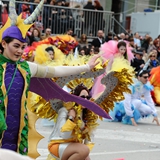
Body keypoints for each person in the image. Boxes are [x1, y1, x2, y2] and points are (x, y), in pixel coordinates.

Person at [0, 0, 101, 158]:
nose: (20, 51)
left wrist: (86, 67)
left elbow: (55, 70)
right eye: (16, 46)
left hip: (18, 132)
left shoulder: (26, 67)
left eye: (22, 47)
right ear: (4, 44)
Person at [48, 83, 98, 160]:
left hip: (74, 146)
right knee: (84, 151)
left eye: (87, 97)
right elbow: (64, 135)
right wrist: (71, 118)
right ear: (75, 97)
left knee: (86, 155)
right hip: (58, 144)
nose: (85, 100)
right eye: (82, 97)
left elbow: (90, 138)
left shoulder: (87, 115)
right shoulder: (64, 110)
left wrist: (85, 155)